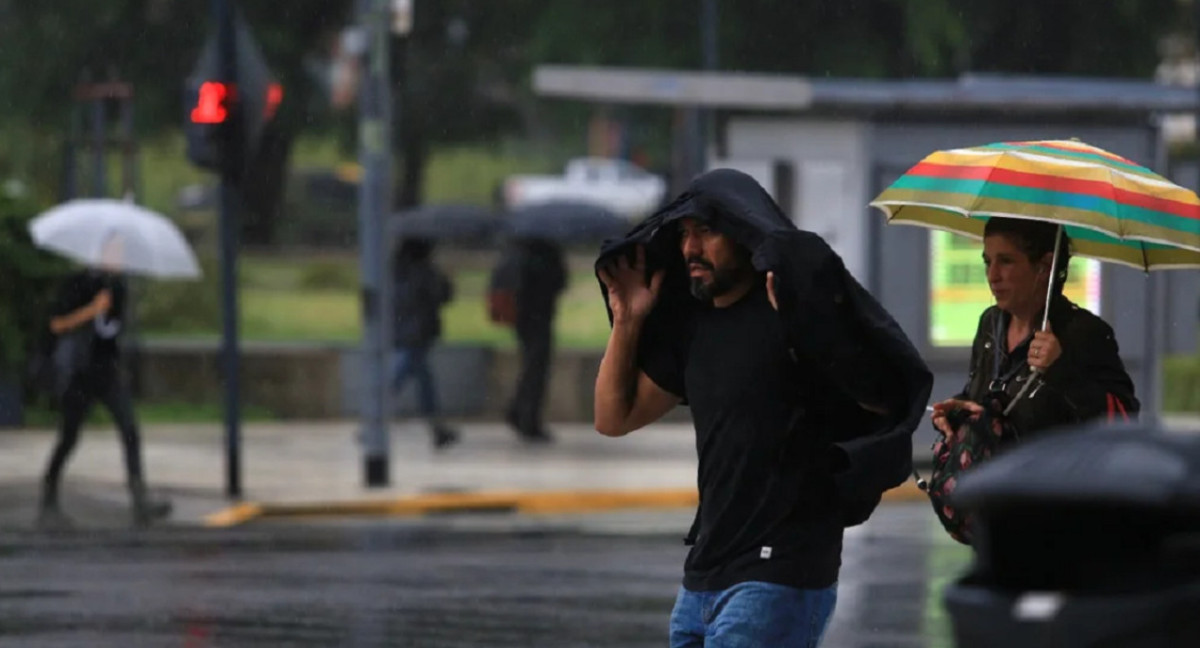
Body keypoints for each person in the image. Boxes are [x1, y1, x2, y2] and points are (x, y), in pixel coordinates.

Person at [593, 169, 932, 647]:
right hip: (703, 579)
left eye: (706, 231)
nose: (691, 248)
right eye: (685, 234)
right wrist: (627, 320)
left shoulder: (791, 311)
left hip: (780, 571)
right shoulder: (694, 330)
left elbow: (880, 396)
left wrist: (810, 327)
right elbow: (613, 418)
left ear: (743, 230)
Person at [930, 217, 1139, 442]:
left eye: (1006, 261)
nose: (992, 276)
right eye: (987, 262)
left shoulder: (1083, 332)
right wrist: (957, 413)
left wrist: (1060, 369)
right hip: (991, 475)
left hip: (1048, 475)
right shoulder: (990, 323)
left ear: (1044, 267)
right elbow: (983, 398)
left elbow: (1124, 421)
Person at [39, 234, 171, 530]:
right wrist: (91, 310)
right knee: (69, 438)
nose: (119, 257)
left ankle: (140, 500)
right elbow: (57, 324)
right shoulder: (79, 283)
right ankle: (48, 496)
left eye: (122, 252)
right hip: (79, 373)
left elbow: (111, 332)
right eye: (114, 251)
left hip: (107, 372)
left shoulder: (119, 287)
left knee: (130, 430)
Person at [488, 237, 567, 444]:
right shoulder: (547, 254)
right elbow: (559, 282)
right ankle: (526, 417)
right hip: (540, 317)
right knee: (536, 369)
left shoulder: (514, 252)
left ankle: (519, 411)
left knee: (531, 366)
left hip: (522, 318)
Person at [390, 238, 458, 450]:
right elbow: (442, 295)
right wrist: (447, 279)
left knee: (424, 381)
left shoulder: (394, 270)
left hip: (400, 330)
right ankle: (372, 421)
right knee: (399, 376)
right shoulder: (425, 271)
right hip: (419, 333)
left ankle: (437, 429)